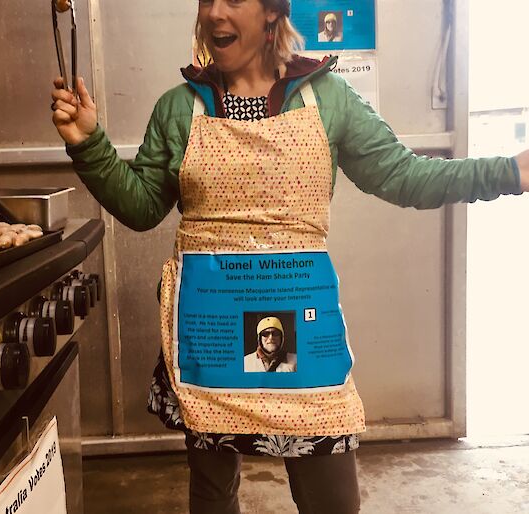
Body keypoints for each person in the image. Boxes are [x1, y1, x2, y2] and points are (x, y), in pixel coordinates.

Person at [51, 0, 529, 512]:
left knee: (333, 501)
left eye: (233, 0)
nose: (214, 13)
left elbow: (404, 175)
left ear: (272, 14)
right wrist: (89, 144)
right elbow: (143, 206)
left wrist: (511, 171)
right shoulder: (179, 107)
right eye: (207, 0)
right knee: (213, 496)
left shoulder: (327, 98)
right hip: (211, 332)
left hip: (304, 335)